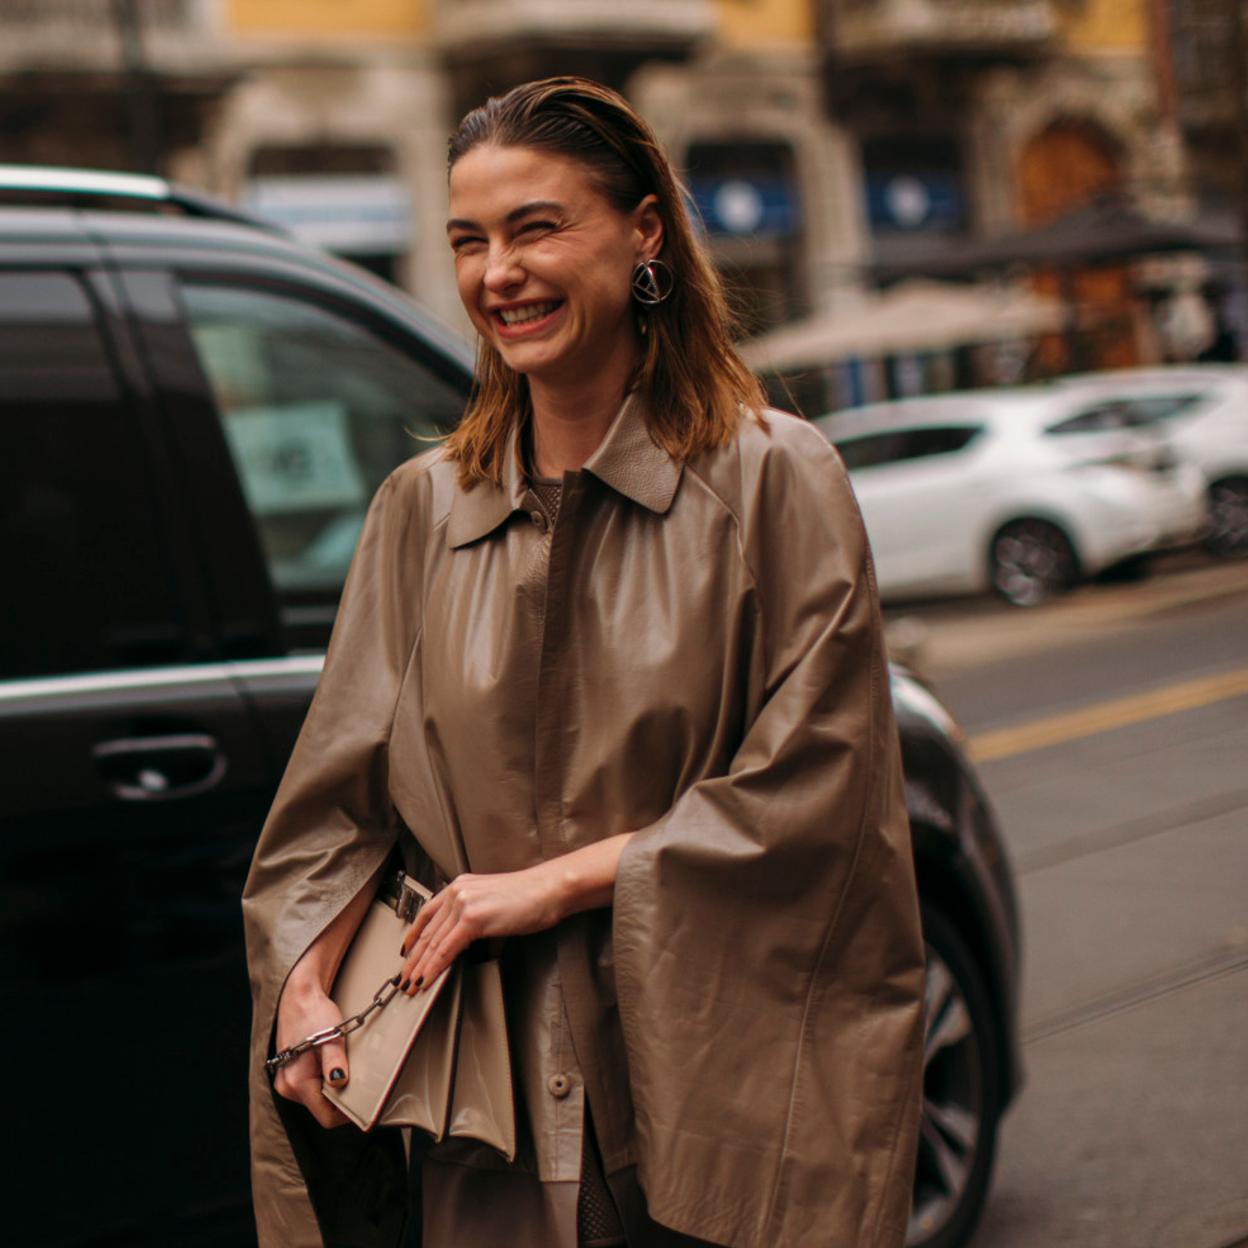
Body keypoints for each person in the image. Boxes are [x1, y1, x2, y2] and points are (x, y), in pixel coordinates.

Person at [243, 77, 926, 1248]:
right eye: (470, 241)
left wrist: (557, 879)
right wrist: (303, 975)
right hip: (485, 1121)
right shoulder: (419, 510)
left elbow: (824, 791)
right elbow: (335, 801)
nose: (497, 272)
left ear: (645, 232)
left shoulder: (774, 479)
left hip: (714, 1093)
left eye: (536, 227)